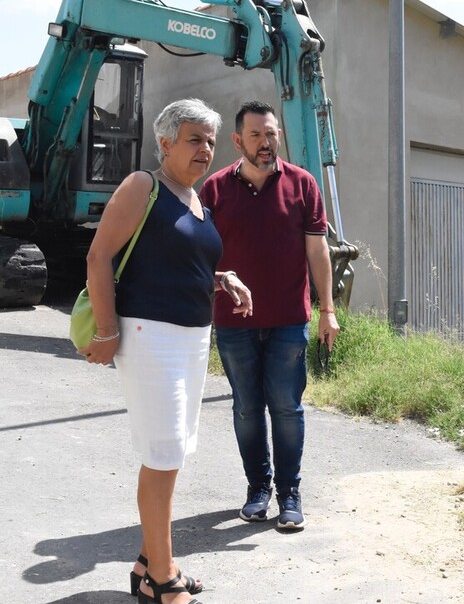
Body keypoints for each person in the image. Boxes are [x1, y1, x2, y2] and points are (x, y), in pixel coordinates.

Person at [80, 98, 252, 604]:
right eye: (194, 139)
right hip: (150, 338)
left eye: (210, 141)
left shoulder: (198, 201)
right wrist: (107, 330)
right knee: (163, 455)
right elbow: (99, 255)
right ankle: (161, 578)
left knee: (174, 451)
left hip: (193, 339)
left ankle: (148, 564)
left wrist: (221, 279)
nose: (205, 149)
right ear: (165, 143)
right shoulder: (143, 186)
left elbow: (175, 261)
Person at [199, 100, 339, 532]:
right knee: (245, 408)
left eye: (271, 134)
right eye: (256, 135)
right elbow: (200, 254)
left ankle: (289, 494)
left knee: (286, 406)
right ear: (238, 140)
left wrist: (327, 310)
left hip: (287, 320)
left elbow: (318, 250)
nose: (265, 142)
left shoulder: (303, 185)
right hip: (233, 321)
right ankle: (257, 488)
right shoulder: (215, 190)